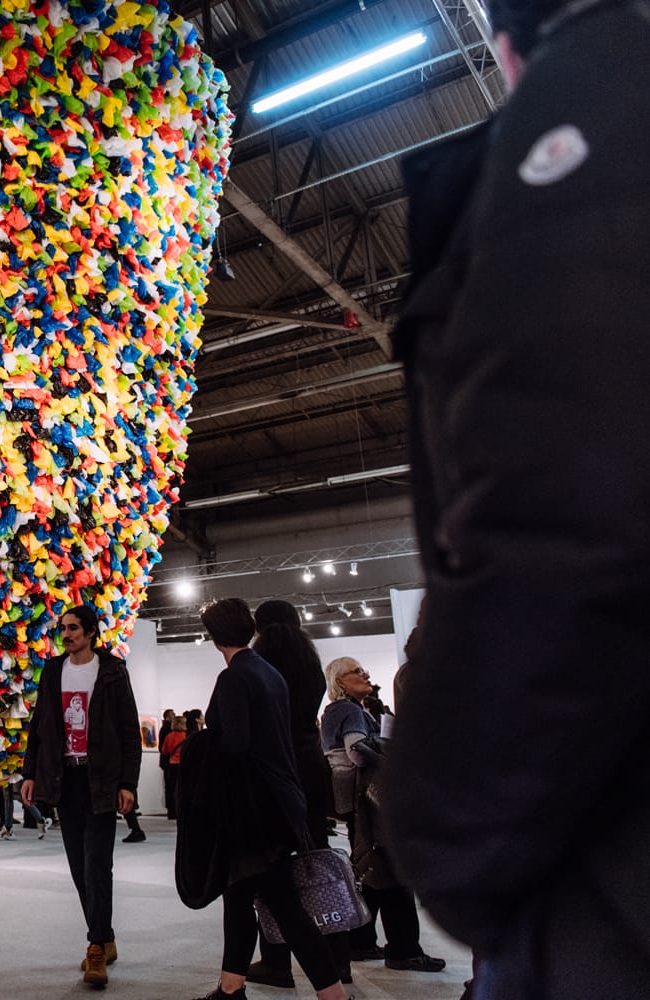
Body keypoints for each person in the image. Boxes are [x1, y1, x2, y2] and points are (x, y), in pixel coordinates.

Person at [388, 3, 650, 995]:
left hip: (611, 885)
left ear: (503, 40)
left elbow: (574, 497)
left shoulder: (604, 95)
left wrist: (445, 831)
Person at [184, 599, 347, 1000]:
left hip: (252, 809)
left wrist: (202, 744)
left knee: (283, 906)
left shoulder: (235, 676)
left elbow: (236, 744)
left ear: (213, 637)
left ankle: (335, 995)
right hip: (277, 798)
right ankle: (230, 987)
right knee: (239, 897)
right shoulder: (268, 672)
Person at [21, 604, 140, 989]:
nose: (66, 634)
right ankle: (104, 936)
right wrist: (29, 773)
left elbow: (127, 730)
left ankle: (95, 949)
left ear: (90, 632)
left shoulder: (111, 672)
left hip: (100, 779)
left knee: (96, 864)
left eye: (73, 628)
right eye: (63, 628)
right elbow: (39, 726)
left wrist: (129, 783)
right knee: (78, 867)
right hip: (64, 780)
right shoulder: (53, 670)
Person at [243, 601, 348, 988]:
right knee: (318, 862)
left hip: (274, 770)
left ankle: (275, 961)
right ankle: (339, 958)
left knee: (270, 868)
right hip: (310, 767)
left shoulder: (260, 666)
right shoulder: (310, 664)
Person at [321, 657, 445, 974]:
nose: (365, 675)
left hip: (357, 802)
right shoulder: (348, 710)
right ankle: (403, 950)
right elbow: (357, 751)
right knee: (390, 870)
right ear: (339, 681)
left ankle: (360, 942)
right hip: (367, 802)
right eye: (356, 672)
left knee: (372, 870)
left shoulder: (348, 710)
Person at [160, 716, 186, 820]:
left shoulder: (169, 736)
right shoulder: (186, 736)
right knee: (181, 789)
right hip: (182, 765)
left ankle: (171, 812)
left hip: (171, 765)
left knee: (170, 789)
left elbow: (165, 751)